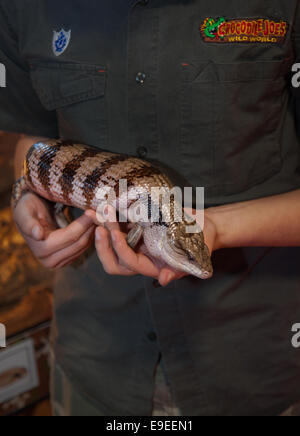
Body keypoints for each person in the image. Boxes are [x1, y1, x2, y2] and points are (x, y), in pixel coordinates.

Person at [1, 0, 300, 416]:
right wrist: (28, 197)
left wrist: (217, 228)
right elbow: (34, 138)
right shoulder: (25, 8)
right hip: (96, 353)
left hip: (252, 362)